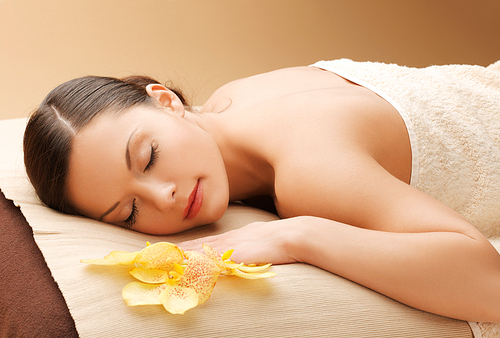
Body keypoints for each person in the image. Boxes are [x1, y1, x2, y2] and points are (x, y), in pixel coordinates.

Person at [23, 59, 500, 323]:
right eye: (128, 212)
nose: (162, 195)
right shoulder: (239, 94)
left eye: (148, 157)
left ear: (166, 102)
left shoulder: (307, 174)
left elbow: (489, 287)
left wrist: (298, 237)